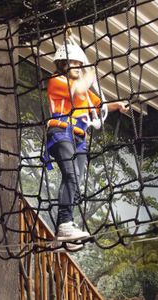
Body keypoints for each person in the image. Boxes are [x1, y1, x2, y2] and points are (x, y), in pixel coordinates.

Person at [46, 43, 128, 249]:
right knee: (71, 175)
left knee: (76, 180)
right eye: (72, 62)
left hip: (79, 137)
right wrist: (89, 76)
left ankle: (65, 230)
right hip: (61, 133)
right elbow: (76, 90)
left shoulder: (84, 90)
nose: (76, 66)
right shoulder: (57, 81)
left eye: (78, 63)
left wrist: (117, 106)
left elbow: (98, 105)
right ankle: (64, 224)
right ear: (62, 64)